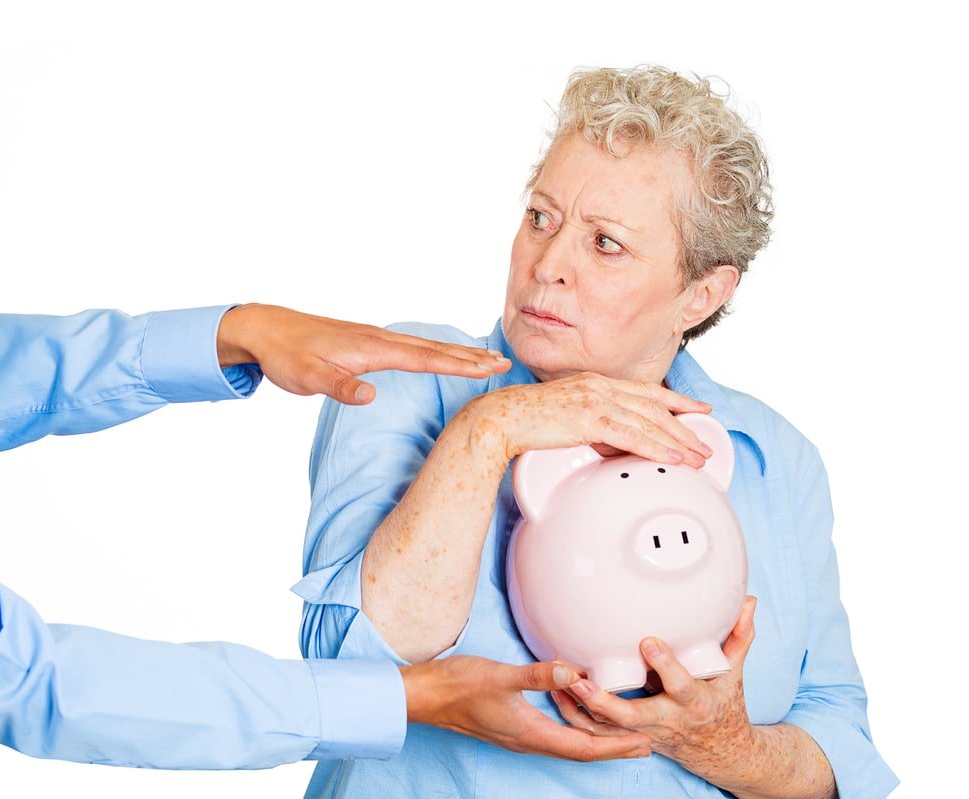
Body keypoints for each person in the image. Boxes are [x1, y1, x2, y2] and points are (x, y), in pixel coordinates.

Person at [297, 67, 899, 798]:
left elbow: (839, 737)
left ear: (700, 293)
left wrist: (725, 745)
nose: (548, 267)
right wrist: (494, 427)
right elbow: (349, 669)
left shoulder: (772, 455)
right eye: (541, 218)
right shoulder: (410, 377)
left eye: (605, 243)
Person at [0, 302, 652, 767]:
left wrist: (237, 332)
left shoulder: (757, 437)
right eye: (538, 217)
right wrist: (406, 696)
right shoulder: (410, 400)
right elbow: (25, 678)